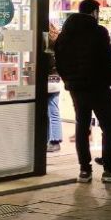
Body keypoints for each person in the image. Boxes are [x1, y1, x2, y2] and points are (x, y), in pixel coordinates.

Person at [53, 0, 111, 183]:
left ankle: (84, 171)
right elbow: (109, 59)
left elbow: (59, 60)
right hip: (98, 87)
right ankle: (110, 170)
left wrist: (68, 81)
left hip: (76, 88)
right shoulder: (98, 31)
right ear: (95, 12)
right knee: (109, 127)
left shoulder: (65, 33)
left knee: (82, 127)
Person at [45, 22, 63, 154]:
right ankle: (53, 140)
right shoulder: (59, 40)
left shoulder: (46, 42)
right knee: (53, 111)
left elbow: (48, 62)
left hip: (47, 80)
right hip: (56, 79)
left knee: (50, 111)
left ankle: (54, 140)